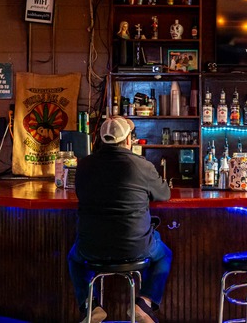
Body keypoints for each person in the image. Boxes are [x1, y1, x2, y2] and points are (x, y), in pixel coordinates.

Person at [68, 116, 171, 323]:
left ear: (101, 140)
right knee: (164, 256)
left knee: (74, 258)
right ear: (127, 141)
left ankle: (90, 305)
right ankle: (144, 303)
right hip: (136, 249)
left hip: (92, 249)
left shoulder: (84, 165)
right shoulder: (142, 166)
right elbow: (164, 194)